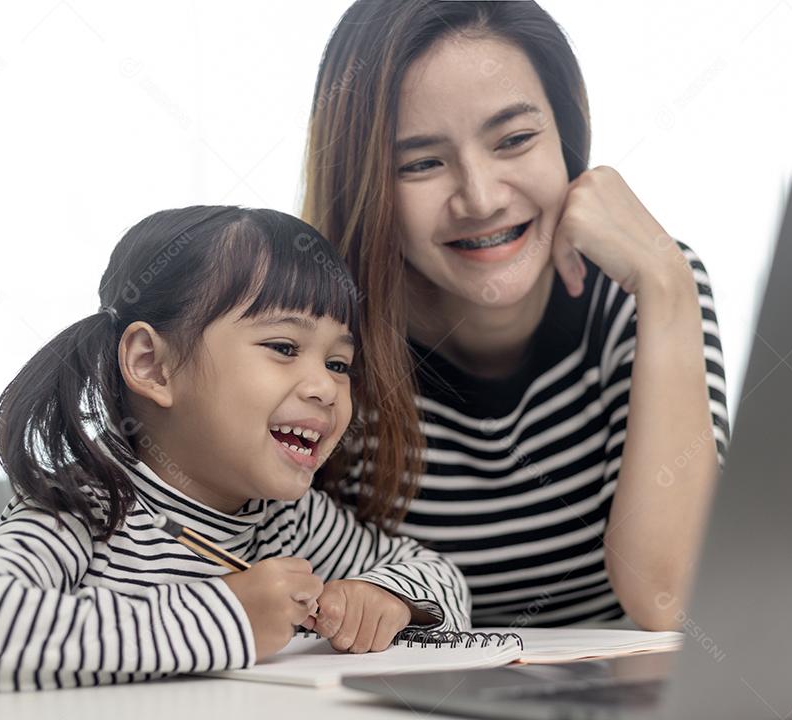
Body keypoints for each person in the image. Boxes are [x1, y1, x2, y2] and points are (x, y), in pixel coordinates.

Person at [0, 206, 470, 693]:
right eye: (283, 346)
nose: (325, 387)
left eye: (339, 363)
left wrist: (385, 596)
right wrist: (230, 616)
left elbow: (441, 576)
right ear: (153, 365)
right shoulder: (86, 506)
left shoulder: (292, 519)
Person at [303, 0, 730, 630]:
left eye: (514, 140)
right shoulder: (325, 336)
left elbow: (676, 602)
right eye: (421, 163)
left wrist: (667, 289)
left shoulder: (649, 287)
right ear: (365, 184)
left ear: (567, 139)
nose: (480, 199)